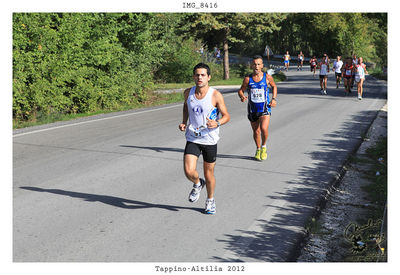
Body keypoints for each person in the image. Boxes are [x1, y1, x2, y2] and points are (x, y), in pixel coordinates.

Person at [179, 63, 230, 214]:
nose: (199, 77)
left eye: (203, 75)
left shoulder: (215, 95)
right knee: (189, 170)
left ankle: (210, 200)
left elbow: (227, 116)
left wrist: (217, 122)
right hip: (193, 137)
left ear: (208, 77)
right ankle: (197, 183)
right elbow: (186, 106)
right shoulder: (188, 92)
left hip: (209, 139)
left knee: (209, 174)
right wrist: (184, 121)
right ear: (194, 76)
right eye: (197, 75)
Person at [238, 55, 277, 161]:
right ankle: (258, 148)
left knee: (264, 129)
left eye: (259, 64)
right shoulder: (247, 79)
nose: (256, 66)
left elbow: (274, 86)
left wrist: (273, 99)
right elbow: (241, 90)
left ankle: (264, 147)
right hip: (252, 109)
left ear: (262, 66)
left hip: (265, 108)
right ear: (251, 65)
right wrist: (242, 96)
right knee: (256, 132)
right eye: (254, 64)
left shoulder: (267, 77)